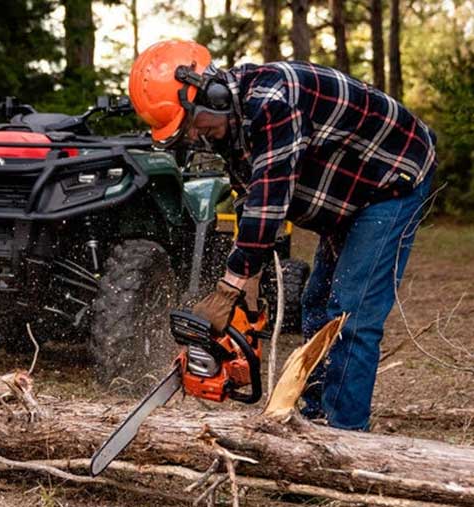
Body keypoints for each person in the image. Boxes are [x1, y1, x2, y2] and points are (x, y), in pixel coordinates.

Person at [128, 39, 437, 431]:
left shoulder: (273, 101)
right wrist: (248, 299)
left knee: (349, 315)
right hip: (345, 194)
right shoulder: (226, 128)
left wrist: (227, 290)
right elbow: (249, 198)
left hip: (392, 179)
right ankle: (314, 416)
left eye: (190, 124)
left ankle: (345, 437)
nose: (192, 136)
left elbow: (269, 202)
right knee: (316, 302)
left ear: (213, 95)